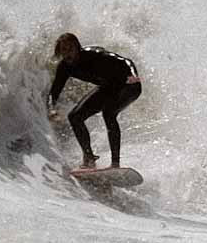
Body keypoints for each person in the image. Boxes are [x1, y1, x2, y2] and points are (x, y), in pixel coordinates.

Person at [47, 33, 142, 169]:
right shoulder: (64, 68)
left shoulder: (94, 54)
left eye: (70, 48)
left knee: (109, 113)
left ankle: (115, 163)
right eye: (64, 50)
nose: (68, 53)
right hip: (108, 87)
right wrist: (51, 108)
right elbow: (54, 91)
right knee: (75, 117)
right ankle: (89, 157)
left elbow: (126, 61)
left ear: (77, 47)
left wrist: (133, 76)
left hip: (129, 85)